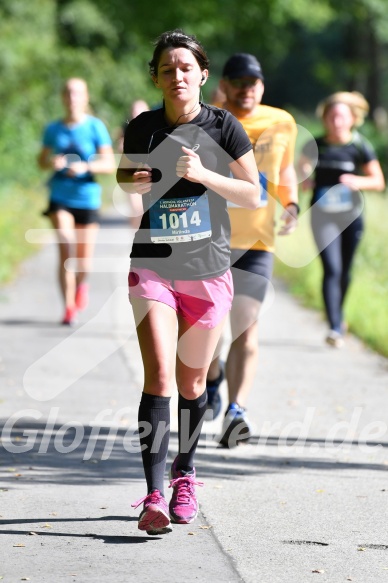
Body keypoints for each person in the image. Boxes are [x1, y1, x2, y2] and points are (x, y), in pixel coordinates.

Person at [116, 30, 260, 534]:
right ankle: (154, 495)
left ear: (201, 74)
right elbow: (124, 175)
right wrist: (131, 179)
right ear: (155, 77)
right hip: (152, 265)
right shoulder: (143, 128)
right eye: (166, 68)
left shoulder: (225, 127)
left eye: (185, 67)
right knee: (157, 377)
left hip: (207, 272)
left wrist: (204, 175)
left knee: (193, 382)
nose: (176, 76)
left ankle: (185, 473)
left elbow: (252, 195)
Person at [205, 53, 299, 448]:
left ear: (262, 86)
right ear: (224, 85)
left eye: (253, 82)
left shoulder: (282, 122)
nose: (247, 89)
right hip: (208, 240)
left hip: (257, 242)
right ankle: (212, 378)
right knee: (206, 330)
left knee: (245, 328)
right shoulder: (205, 119)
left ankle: (236, 410)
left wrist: (291, 204)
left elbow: (285, 170)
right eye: (238, 82)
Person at [299, 91, 385, 348]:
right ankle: (335, 327)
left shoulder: (359, 146)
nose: (336, 121)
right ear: (324, 119)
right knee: (332, 268)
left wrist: (357, 181)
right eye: (331, 116)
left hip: (352, 216)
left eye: (341, 117)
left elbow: (378, 181)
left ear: (352, 119)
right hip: (321, 215)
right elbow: (299, 170)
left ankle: (340, 316)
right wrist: (304, 177)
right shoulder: (314, 144)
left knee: (345, 271)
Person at [38, 78, 116, 325]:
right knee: (66, 247)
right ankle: (68, 307)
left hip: (87, 198)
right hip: (60, 196)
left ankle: (82, 285)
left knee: (83, 261)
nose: (72, 98)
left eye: (77, 93)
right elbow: (40, 161)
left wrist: (85, 166)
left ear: (85, 98)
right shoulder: (53, 129)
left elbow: (108, 164)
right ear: (63, 97)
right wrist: (51, 162)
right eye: (69, 93)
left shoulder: (95, 127)